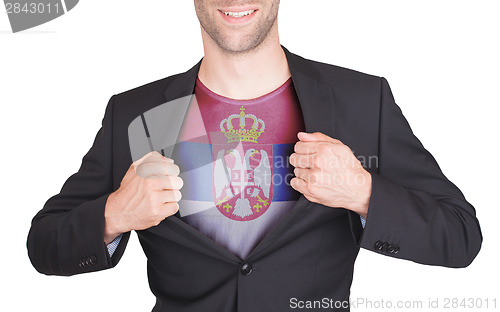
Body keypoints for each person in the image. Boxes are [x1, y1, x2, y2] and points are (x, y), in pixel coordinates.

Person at [27, 1, 482, 311]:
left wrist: (363, 192)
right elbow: (44, 245)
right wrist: (114, 215)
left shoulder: (361, 101)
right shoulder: (137, 114)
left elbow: (460, 236)